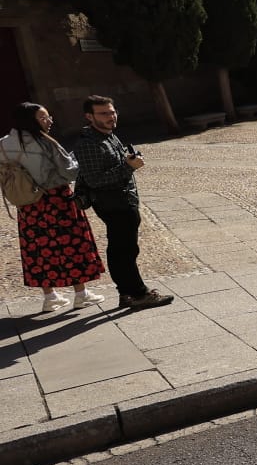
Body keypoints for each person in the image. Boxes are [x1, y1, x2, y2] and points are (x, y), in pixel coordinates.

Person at [1, 103, 105, 312]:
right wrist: (75, 159)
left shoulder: (3, 144)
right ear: (29, 120)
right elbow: (68, 173)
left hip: (28, 204)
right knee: (73, 245)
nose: (49, 121)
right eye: (43, 118)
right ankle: (81, 294)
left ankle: (50, 297)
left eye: (48, 117)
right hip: (57, 201)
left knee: (38, 249)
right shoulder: (45, 142)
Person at [74, 95, 174, 309]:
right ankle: (139, 294)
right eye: (104, 113)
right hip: (113, 203)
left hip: (122, 199)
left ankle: (126, 294)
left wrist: (127, 161)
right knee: (124, 251)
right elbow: (95, 180)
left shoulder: (108, 135)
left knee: (124, 249)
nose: (111, 116)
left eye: (112, 112)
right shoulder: (89, 143)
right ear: (89, 116)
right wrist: (129, 167)